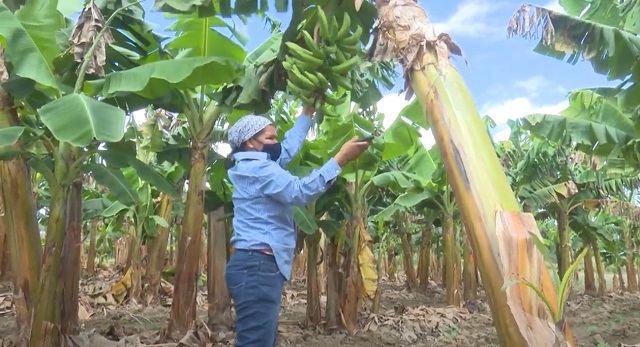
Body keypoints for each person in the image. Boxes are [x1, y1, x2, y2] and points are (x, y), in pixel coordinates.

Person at [224, 104, 371, 347]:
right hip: (257, 267)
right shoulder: (260, 169)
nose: (276, 142)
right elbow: (300, 192)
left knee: (260, 340)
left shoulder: (254, 163)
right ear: (251, 142)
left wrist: (307, 114)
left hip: (254, 266)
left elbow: (287, 150)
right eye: (270, 138)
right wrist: (340, 160)